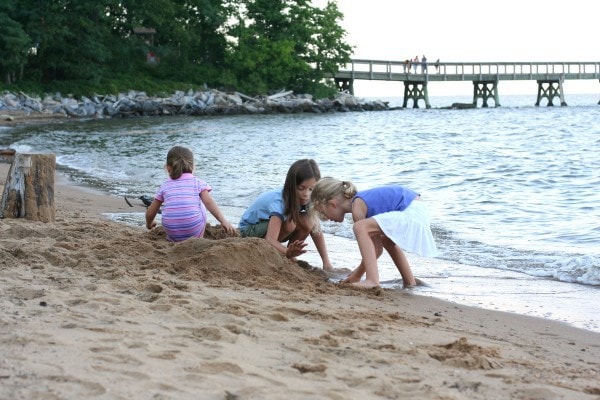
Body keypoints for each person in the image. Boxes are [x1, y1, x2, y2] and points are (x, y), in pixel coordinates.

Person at [311, 178, 438, 288]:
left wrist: (358, 274)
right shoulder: (361, 203)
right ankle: (410, 281)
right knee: (387, 241)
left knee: (359, 227)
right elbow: (377, 249)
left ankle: (372, 280)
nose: (325, 219)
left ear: (332, 204)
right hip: (418, 209)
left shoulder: (358, 206)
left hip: (411, 211)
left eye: (322, 213)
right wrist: (357, 274)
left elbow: (376, 250)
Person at [238, 159, 334, 271]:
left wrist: (326, 263)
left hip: (268, 231)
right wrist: (287, 252)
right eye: (301, 188)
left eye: (311, 189)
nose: (306, 194)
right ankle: (284, 254)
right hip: (248, 231)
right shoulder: (280, 200)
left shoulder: (308, 198)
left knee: (309, 221)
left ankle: (287, 256)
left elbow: (316, 229)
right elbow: (270, 238)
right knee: (290, 224)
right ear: (291, 186)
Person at [145, 146, 235, 242]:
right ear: (192, 166)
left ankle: (173, 239)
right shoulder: (197, 183)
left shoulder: (165, 185)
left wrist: (149, 224)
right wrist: (223, 221)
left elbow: (150, 214)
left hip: (171, 230)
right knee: (201, 204)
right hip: (193, 230)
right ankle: (198, 238)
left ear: (168, 167)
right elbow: (209, 202)